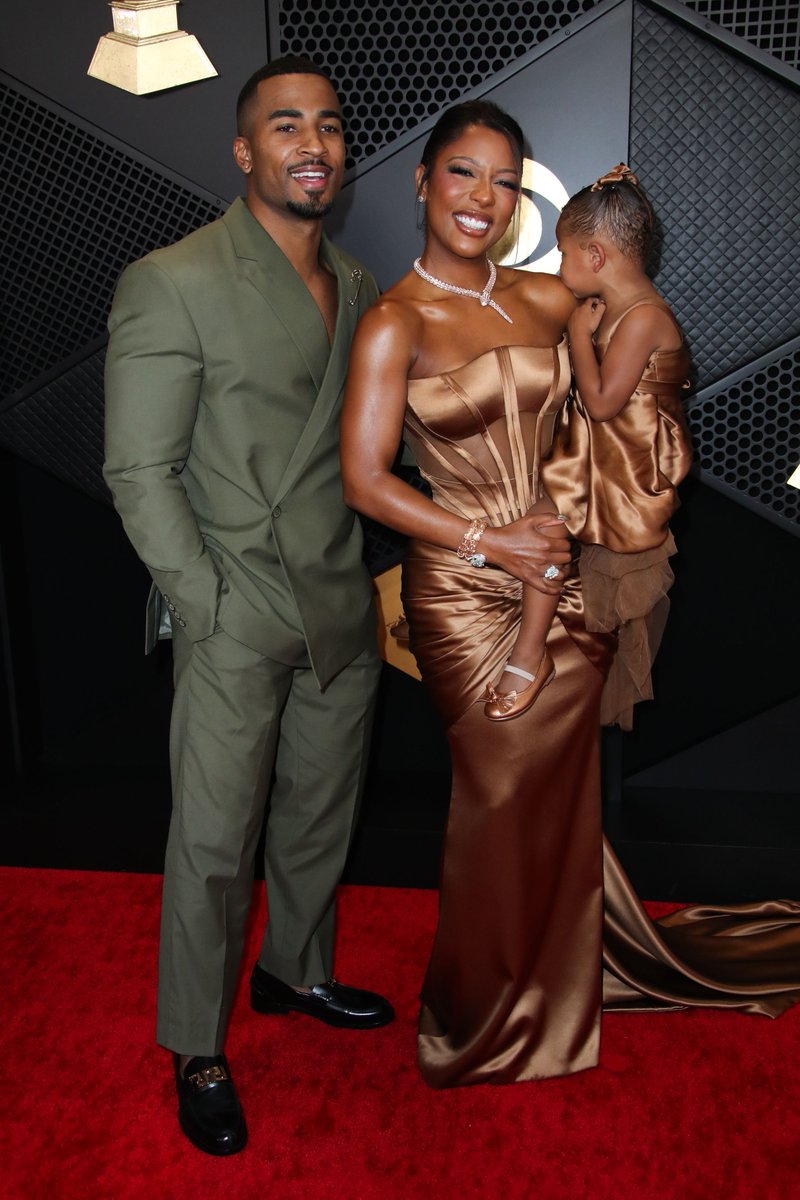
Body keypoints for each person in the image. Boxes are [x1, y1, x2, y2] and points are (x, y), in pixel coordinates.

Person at [341, 100, 800, 1090]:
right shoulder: (392, 322)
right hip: (465, 592)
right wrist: (484, 537)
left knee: (553, 798)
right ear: (422, 182)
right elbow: (363, 480)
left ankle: (554, 983)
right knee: (495, 798)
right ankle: (478, 1014)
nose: (483, 199)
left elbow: (630, 343)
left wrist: (636, 471)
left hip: (560, 581)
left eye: (504, 182)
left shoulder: (548, 299)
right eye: (463, 174)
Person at [104, 56, 393, 1155]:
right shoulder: (172, 279)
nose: (311, 144)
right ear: (244, 151)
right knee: (214, 845)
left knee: (321, 814)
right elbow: (137, 470)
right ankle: (198, 1044)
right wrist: (204, 602)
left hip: (336, 599)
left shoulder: (360, 286)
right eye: (285, 126)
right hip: (233, 605)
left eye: (326, 125)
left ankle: (295, 973)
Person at [486, 163, 693, 727]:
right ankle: (509, 633)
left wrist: (577, 335)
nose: (559, 266)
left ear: (596, 256)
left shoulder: (644, 317)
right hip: (601, 450)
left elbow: (602, 402)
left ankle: (528, 657)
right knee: (539, 520)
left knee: (546, 521)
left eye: (564, 253)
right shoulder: (623, 310)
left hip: (625, 463)